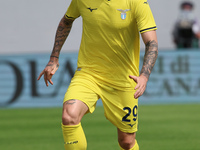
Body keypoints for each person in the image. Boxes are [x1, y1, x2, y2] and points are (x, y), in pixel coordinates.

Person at [37, 0, 158, 149]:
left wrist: (144, 76)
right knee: (69, 116)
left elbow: (151, 42)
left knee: (126, 142)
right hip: (88, 73)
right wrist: (54, 58)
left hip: (123, 78)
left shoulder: (136, 2)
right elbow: (66, 21)